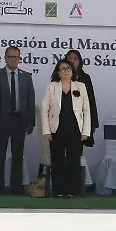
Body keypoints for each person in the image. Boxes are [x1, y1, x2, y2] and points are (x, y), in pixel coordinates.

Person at [39, 59, 91, 197]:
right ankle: (59, 191)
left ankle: (73, 191)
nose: (66, 71)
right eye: (63, 69)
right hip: (57, 129)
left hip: (75, 129)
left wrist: (86, 132)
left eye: (68, 68)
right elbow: (44, 109)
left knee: (74, 161)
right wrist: (46, 131)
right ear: (58, 72)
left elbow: (86, 110)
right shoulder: (52, 87)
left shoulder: (80, 86)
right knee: (58, 161)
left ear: (72, 71)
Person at [0, 46, 35, 193]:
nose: (13, 59)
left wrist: (31, 122)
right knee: (0, 155)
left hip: (19, 120)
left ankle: (16, 187)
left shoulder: (26, 77)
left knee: (18, 155)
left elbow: (30, 100)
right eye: (10, 57)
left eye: (16, 57)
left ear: (19, 59)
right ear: (5, 58)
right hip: (2, 119)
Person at [64, 49, 98, 142]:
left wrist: (93, 122)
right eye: (70, 58)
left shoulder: (85, 77)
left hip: (81, 118)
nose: (72, 60)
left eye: (75, 58)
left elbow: (91, 100)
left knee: (77, 148)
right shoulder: (59, 75)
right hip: (63, 118)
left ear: (79, 61)